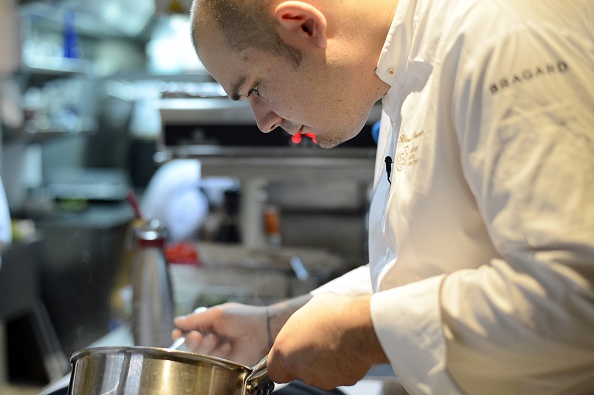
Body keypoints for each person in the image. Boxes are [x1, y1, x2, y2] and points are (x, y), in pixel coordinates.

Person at [173, 0, 594, 393]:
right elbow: (437, 264)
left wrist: (366, 331)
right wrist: (274, 325)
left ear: (305, 25)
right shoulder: (397, 68)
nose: (264, 121)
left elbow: (576, 291)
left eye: (256, 88)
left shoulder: (505, 37)